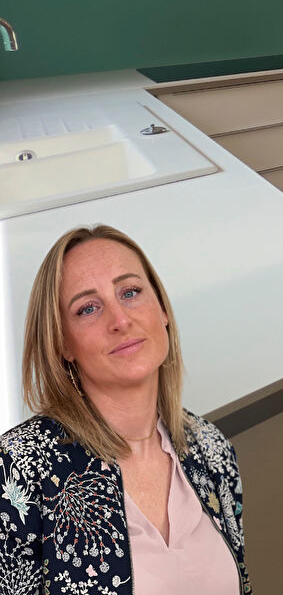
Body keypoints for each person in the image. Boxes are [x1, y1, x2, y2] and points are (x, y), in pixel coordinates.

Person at [0, 225, 249, 594]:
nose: (119, 320)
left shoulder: (212, 448)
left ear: (162, 310)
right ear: (62, 343)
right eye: (88, 308)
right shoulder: (17, 469)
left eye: (130, 292)